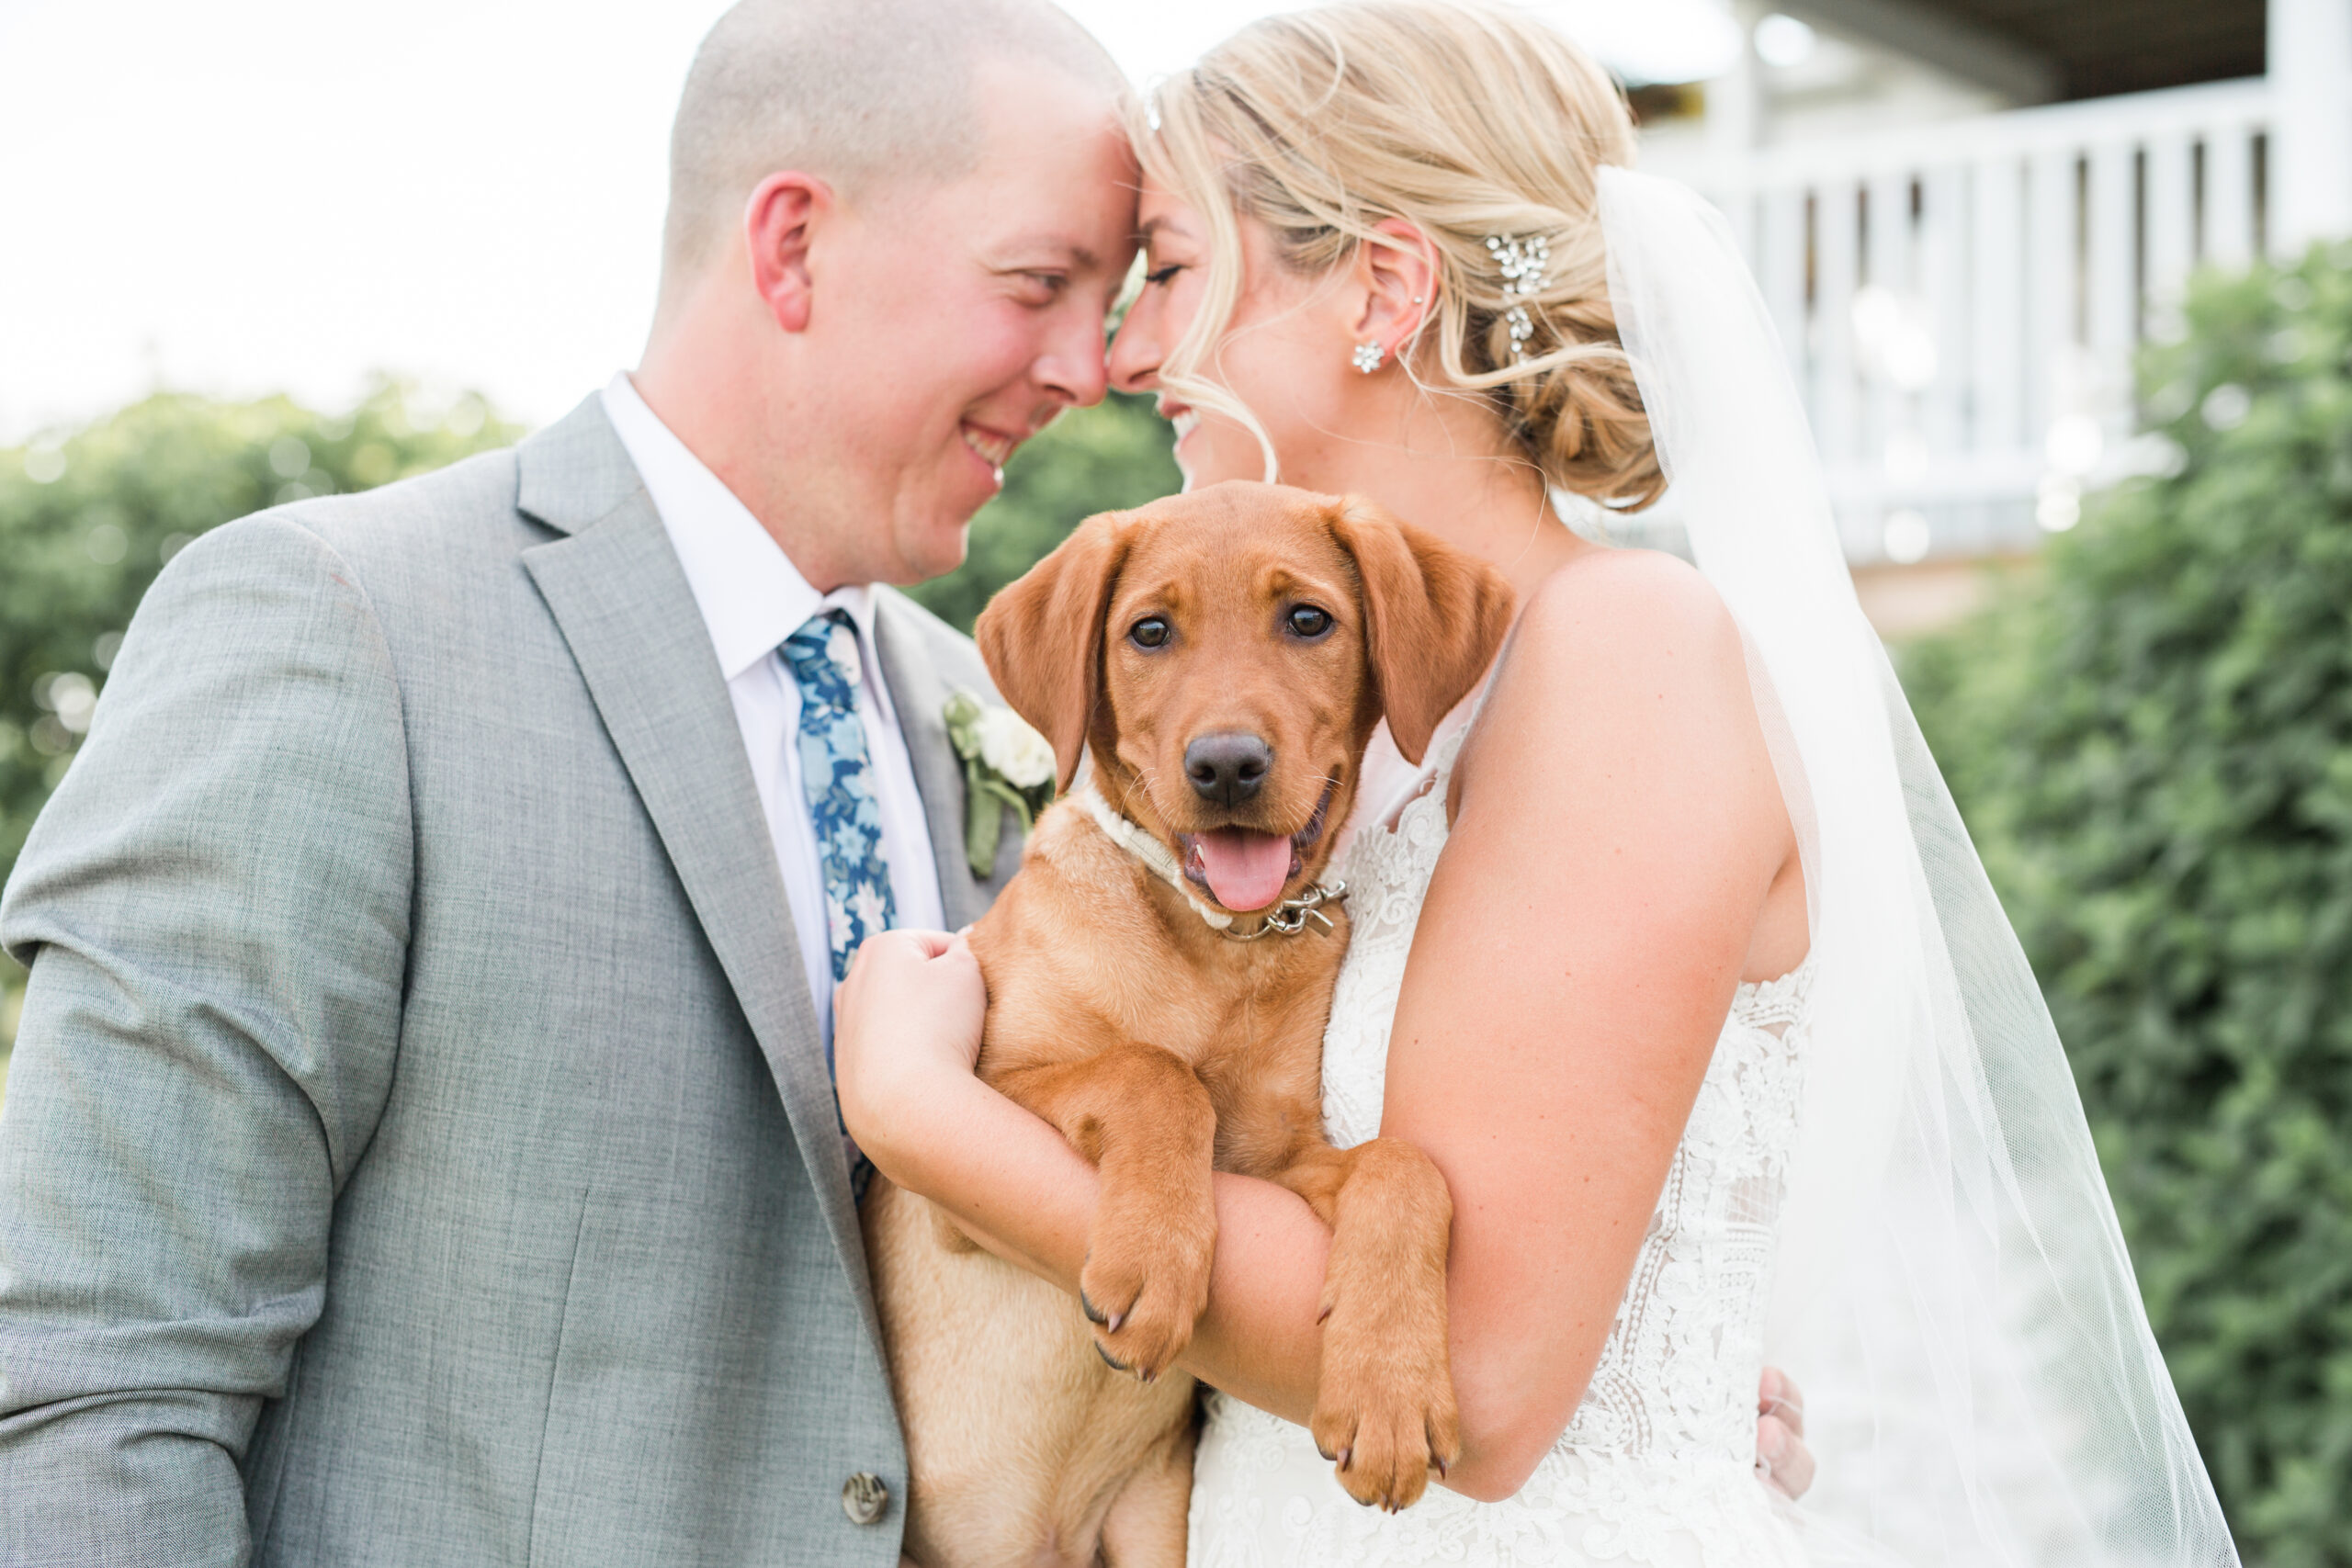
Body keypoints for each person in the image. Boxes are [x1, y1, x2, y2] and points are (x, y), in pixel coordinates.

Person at [832, 4, 2237, 1564]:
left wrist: (916, 1112)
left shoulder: (1627, 654)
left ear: (1382, 281)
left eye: (1167, 268)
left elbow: (1486, 1391)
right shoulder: (1338, 747)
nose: (1122, 349)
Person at [0, 3, 1136, 1562]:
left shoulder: (984, 706)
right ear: (793, 244)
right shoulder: (342, 625)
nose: (1095, 366)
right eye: (1040, 284)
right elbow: (101, 1379)